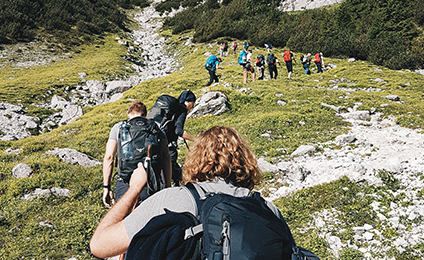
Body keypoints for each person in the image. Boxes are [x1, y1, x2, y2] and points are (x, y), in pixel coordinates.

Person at [90, 126, 285, 258]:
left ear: (196, 159)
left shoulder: (174, 198)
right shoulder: (267, 209)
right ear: (245, 161)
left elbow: (99, 246)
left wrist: (134, 189)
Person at [102, 101, 171, 208]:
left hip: (125, 180)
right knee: (150, 218)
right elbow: (166, 156)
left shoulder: (119, 127)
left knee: (124, 218)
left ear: (128, 114)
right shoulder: (155, 126)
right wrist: (167, 185)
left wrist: (106, 187)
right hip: (150, 181)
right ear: (145, 114)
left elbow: (109, 157)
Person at [147, 91, 196, 186]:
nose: (192, 107)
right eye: (192, 104)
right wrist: (196, 140)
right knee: (172, 168)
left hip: (154, 140)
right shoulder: (182, 110)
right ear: (189, 102)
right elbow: (179, 131)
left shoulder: (169, 109)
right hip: (168, 145)